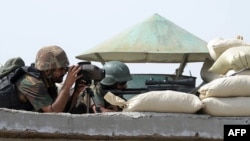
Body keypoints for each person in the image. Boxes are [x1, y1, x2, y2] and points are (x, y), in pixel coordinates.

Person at [15, 45, 86, 113]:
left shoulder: (49, 84)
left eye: (65, 68)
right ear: (47, 70)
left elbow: (63, 111)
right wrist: (67, 85)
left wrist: (76, 92)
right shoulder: (31, 82)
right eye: (61, 69)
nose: (64, 72)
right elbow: (53, 113)